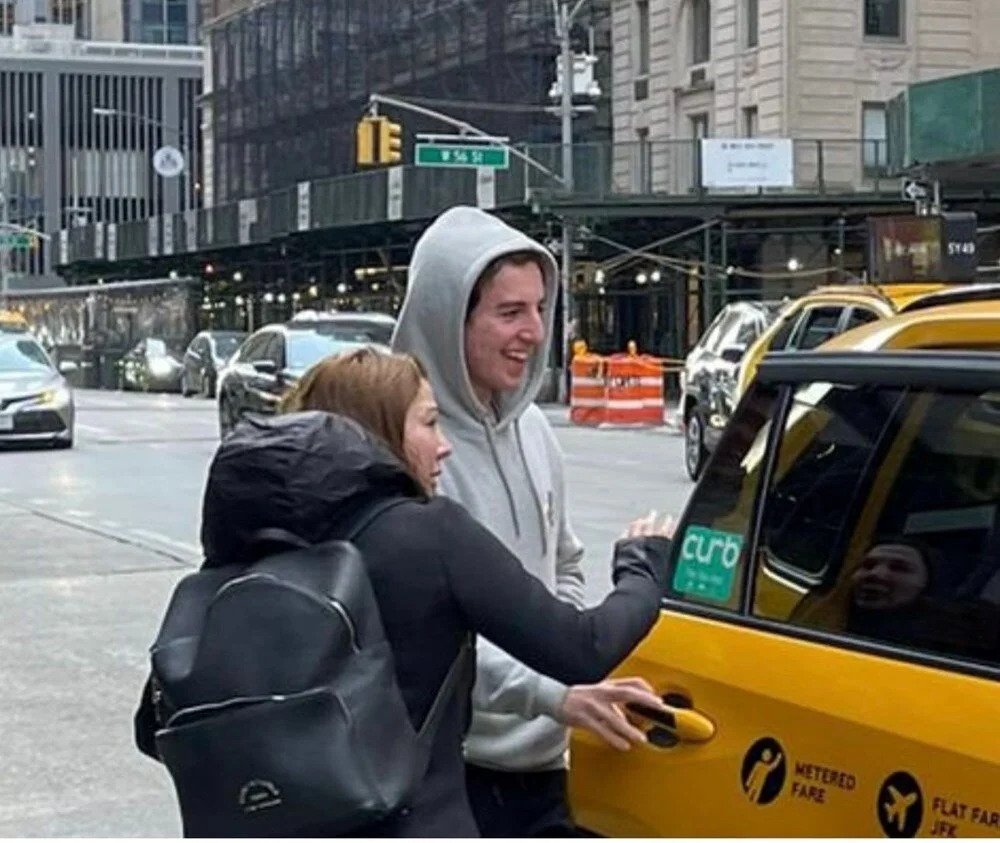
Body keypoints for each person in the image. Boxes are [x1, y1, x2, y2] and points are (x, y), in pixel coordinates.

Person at [135, 348, 673, 838]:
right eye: (430, 423)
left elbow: (156, 724)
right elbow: (582, 647)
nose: (444, 448)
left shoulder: (251, 542)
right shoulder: (427, 534)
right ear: (380, 430)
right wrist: (642, 566)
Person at [391, 206, 664, 836]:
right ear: (447, 317)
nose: (534, 332)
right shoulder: (411, 448)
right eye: (509, 313)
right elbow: (421, 631)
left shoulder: (535, 431)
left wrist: (550, 662)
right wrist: (550, 690)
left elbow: (563, 561)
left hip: (547, 763)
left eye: (540, 308)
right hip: (451, 772)